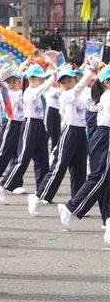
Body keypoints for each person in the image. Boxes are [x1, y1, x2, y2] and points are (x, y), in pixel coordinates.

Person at [57, 65, 110, 242]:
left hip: (101, 136)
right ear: (107, 83)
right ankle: (71, 207)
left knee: (106, 180)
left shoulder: (103, 96)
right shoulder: (108, 96)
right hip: (105, 136)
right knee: (100, 177)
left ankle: (108, 220)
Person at [29, 65, 89, 215]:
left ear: (74, 79)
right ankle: (38, 196)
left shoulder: (81, 94)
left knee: (79, 169)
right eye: (64, 82)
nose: (67, 84)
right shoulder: (66, 95)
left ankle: (77, 204)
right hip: (70, 132)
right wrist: (89, 72)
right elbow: (78, 88)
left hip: (82, 134)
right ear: (59, 84)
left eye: (70, 80)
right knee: (58, 168)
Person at [0, 64, 54, 195]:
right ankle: (2, 184)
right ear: (31, 79)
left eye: (42, 79)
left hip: (39, 125)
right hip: (30, 124)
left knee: (42, 159)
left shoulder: (35, 90)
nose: (42, 81)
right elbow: (43, 88)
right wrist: (53, 76)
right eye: (39, 79)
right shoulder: (30, 91)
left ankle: (42, 192)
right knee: (23, 158)